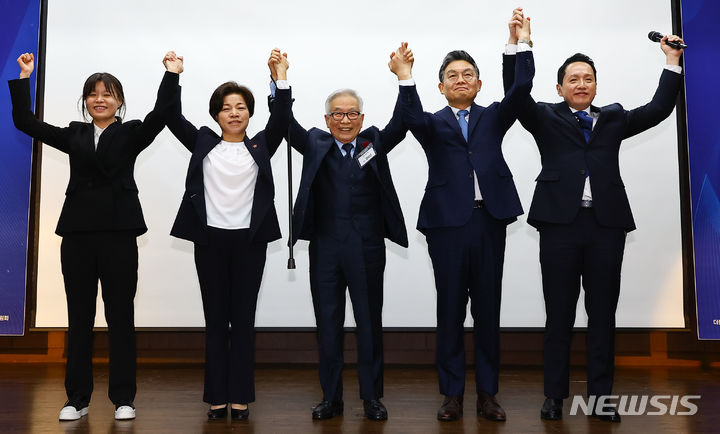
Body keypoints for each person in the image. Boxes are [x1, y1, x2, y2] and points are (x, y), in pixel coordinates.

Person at [503, 16, 685, 422]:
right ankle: (554, 397)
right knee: (560, 314)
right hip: (560, 227)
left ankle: (602, 399)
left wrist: (672, 60)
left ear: (596, 85)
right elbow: (515, 96)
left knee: (603, 315)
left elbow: (658, 109)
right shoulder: (545, 117)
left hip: (606, 227)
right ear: (559, 88)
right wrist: (520, 45)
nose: (581, 84)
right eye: (573, 79)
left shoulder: (615, 118)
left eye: (588, 78)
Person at [9, 52, 177, 421]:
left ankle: (124, 398)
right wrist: (24, 77)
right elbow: (24, 121)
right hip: (79, 235)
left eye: (108, 93)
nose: (99, 99)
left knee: (121, 316)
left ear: (119, 100)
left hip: (119, 234)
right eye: (92, 93)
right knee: (79, 317)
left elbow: (162, 114)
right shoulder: (74, 133)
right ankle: (77, 399)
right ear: (86, 101)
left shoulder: (131, 132)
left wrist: (171, 74)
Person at [399, 9, 534, 422]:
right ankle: (452, 394)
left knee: (488, 311)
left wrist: (519, 43)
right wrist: (406, 76)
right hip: (446, 227)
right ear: (441, 87)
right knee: (450, 311)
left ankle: (488, 394)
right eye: (453, 75)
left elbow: (522, 87)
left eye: (468, 73)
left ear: (479, 82)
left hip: (488, 221)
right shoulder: (431, 122)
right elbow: (406, 118)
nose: (461, 79)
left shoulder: (494, 115)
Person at [284, 44, 414, 421]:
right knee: (328, 325)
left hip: (368, 249)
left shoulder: (373, 143)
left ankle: (372, 397)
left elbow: (403, 122)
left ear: (361, 117)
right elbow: (285, 122)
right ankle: (332, 397)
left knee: (370, 323)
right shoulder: (314, 143)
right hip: (325, 250)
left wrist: (404, 77)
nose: (345, 120)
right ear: (327, 119)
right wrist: (280, 80)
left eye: (351, 113)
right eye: (337, 114)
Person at [161, 49, 291, 421]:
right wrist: (173, 75)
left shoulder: (261, 145)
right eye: (226, 107)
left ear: (250, 113)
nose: (234, 113)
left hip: (249, 243)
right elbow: (170, 115)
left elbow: (282, 119)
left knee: (244, 321)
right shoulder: (204, 142)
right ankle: (217, 397)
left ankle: (240, 397)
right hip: (211, 242)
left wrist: (280, 77)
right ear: (216, 115)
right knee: (216, 321)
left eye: (241, 107)